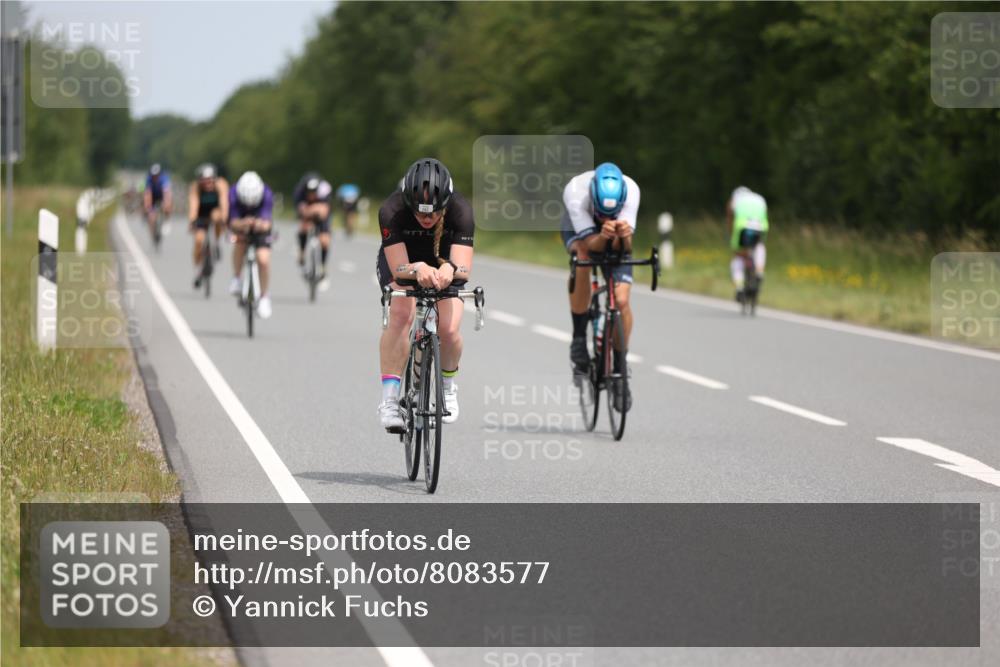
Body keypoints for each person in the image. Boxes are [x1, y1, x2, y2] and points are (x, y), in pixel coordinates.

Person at [376, 158, 474, 432]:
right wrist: (417, 267)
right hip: (405, 261)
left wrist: (450, 269)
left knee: (449, 328)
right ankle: (390, 401)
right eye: (420, 214)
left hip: (442, 260)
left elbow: (463, 268)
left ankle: (448, 388)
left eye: (433, 213)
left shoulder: (462, 211)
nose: (427, 219)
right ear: (408, 202)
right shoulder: (391, 211)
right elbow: (398, 268)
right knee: (401, 313)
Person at [561, 162, 640, 409]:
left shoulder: (632, 191)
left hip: (613, 235)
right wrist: (604, 236)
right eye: (602, 212)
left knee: (622, 300)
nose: (607, 217)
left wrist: (623, 236)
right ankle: (578, 336)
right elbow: (591, 244)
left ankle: (620, 368)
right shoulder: (576, 193)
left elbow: (625, 249)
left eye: (612, 214)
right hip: (580, 231)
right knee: (583, 256)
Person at [228, 171, 275, 319]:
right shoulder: (233, 194)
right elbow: (232, 221)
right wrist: (242, 224)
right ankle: (236, 278)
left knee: (263, 260)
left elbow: (267, 223)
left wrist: (259, 224)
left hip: (260, 223)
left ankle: (264, 296)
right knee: (239, 242)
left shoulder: (267, 194)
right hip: (241, 223)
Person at [188, 163, 229, 287]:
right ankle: (198, 270)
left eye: (210, 181)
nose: (207, 184)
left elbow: (224, 202)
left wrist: (224, 219)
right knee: (199, 240)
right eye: (204, 181)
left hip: (215, 211)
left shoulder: (221, 184)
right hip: (201, 213)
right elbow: (193, 204)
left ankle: (215, 242)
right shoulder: (195, 187)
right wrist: (192, 220)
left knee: (217, 217)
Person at [726, 186, 769, 301]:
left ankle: (739, 288)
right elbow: (764, 215)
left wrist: (732, 242)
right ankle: (759, 272)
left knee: (737, 257)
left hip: (741, 227)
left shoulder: (735, 200)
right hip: (760, 226)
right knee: (759, 246)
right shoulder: (759, 198)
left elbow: (730, 220)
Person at [292, 172, 334, 287]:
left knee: (325, 240)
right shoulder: (299, 192)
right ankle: (302, 251)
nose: (311, 195)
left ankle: (323, 265)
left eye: (313, 193)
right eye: (309, 193)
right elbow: (301, 211)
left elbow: (324, 211)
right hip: (308, 212)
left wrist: (314, 210)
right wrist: (311, 210)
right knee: (304, 227)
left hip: (321, 215)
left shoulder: (325, 190)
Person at [143, 163, 172, 240]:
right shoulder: (149, 179)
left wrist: (166, 204)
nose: (155, 177)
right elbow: (147, 194)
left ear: (160, 174)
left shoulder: (164, 179)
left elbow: (166, 192)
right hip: (153, 196)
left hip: (162, 195)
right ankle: (153, 233)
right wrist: (148, 207)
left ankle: (166, 221)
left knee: (167, 206)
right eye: (153, 176)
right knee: (151, 217)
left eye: (156, 175)